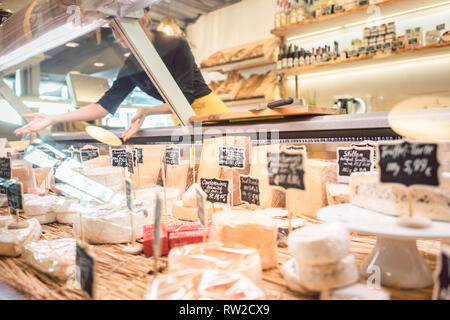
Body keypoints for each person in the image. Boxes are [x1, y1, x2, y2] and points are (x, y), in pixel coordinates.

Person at [14, 9, 229, 141]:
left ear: (143, 20)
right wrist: (53, 117)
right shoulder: (131, 65)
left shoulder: (175, 46)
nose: (117, 36)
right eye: (113, 29)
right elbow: (103, 106)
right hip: (180, 117)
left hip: (208, 111)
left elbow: (186, 97)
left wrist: (146, 111)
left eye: (119, 28)